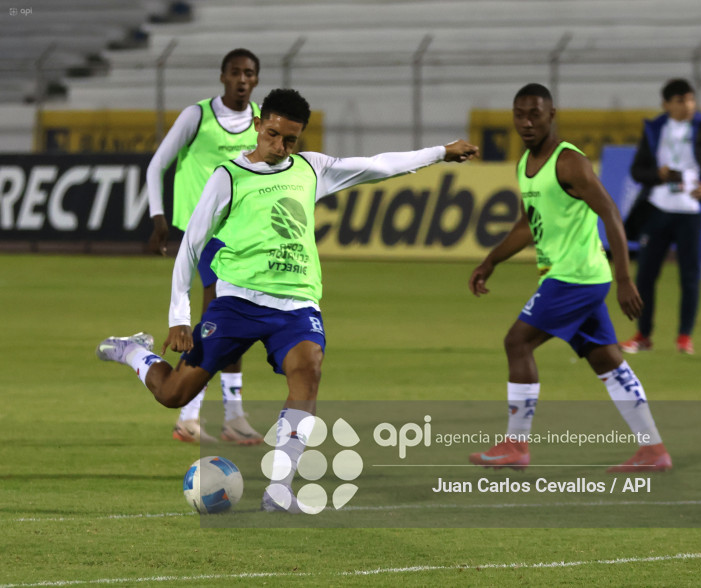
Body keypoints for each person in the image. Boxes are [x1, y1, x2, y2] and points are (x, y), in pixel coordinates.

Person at [98, 88, 480, 512]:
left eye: (291, 140)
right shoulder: (228, 176)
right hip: (236, 303)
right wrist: (179, 317)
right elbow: (191, 245)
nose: (280, 147)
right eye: (274, 135)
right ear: (260, 125)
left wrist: (441, 152)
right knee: (174, 393)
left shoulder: (312, 168)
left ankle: (279, 489)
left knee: (308, 371)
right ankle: (134, 352)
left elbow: (379, 165)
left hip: (296, 306)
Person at [467, 83, 671, 473]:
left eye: (535, 115)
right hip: (571, 278)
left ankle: (516, 444)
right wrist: (491, 261)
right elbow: (528, 225)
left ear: (552, 115)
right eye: (519, 115)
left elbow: (610, 213)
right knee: (608, 362)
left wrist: (626, 278)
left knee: (517, 342)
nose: (526, 123)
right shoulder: (525, 165)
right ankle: (653, 449)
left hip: (575, 277)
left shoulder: (568, 162)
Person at [145, 48, 264, 444]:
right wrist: (158, 217)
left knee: (232, 318)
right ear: (222, 77)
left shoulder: (263, 123)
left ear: (257, 80)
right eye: (235, 72)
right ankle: (193, 414)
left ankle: (227, 416)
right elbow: (157, 163)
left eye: (249, 73)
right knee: (220, 316)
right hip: (205, 234)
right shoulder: (198, 116)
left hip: (240, 234)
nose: (242, 79)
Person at [620, 78, 701, 355]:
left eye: (690, 99)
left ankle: (684, 337)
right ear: (666, 104)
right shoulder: (654, 129)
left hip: (690, 212)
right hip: (657, 210)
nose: (688, 105)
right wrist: (657, 175)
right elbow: (637, 172)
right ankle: (643, 335)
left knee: (690, 277)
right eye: (680, 100)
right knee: (645, 276)